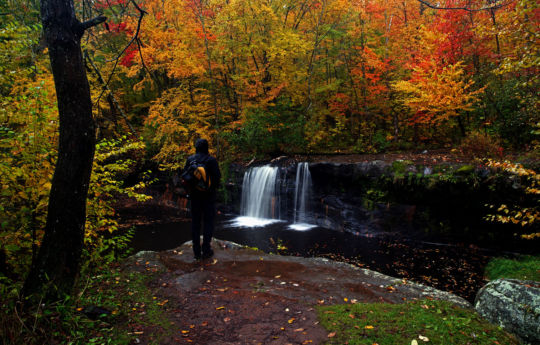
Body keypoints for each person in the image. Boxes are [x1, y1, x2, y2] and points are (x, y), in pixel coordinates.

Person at [183, 138, 221, 260]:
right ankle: (206, 250)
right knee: (208, 223)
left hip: (194, 197)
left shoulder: (190, 160)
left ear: (196, 148)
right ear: (207, 148)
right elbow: (217, 178)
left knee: (195, 223)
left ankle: (196, 252)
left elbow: (185, 177)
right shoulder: (211, 160)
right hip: (209, 197)